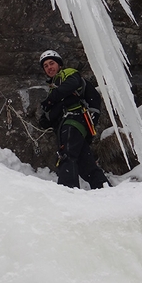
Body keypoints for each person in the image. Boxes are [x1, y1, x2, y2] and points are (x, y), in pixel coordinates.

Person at [38, 50, 110, 189]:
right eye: (45, 66)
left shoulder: (68, 73)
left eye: (51, 63)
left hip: (74, 119)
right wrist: (46, 118)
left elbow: (72, 84)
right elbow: (58, 108)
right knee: (86, 166)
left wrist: (49, 101)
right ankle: (106, 190)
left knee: (67, 154)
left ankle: (67, 190)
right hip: (76, 124)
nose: (49, 67)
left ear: (59, 64)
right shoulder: (54, 86)